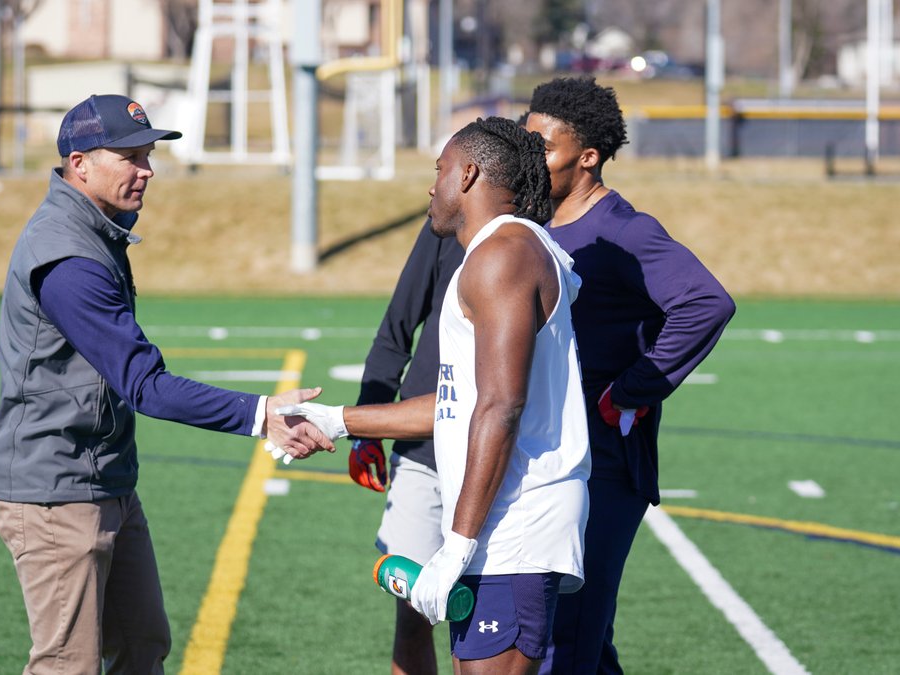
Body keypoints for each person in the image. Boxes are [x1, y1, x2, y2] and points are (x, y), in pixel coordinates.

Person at [0, 94, 330, 675]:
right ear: (79, 163)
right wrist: (261, 412)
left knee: (143, 646)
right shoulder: (67, 254)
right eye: (129, 157)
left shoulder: (97, 229)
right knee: (68, 666)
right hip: (56, 490)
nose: (146, 170)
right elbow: (145, 384)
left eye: (147, 155)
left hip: (105, 477)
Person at [278, 116, 591, 675]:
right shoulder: (497, 252)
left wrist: (459, 544)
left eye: (440, 170)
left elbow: (501, 407)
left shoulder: (503, 255)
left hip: (513, 528)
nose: (432, 185)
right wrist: (336, 420)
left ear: (469, 174)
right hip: (499, 523)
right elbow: (458, 404)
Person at [522, 77, 736, 674]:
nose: (528, 156)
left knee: (569, 640)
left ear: (587, 156)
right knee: (570, 637)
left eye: (542, 146)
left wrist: (632, 389)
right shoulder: (529, 223)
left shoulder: (624, 230)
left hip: (604, 464)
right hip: (544, 456)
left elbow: (706, 303)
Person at [350, 218, 462, 674]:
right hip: (422, 451)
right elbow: (398, 325)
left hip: (506, 462)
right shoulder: (444, 225)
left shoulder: (541, 233)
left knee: (486, 620)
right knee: (414, 610)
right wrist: (368, 425)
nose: (434, 188)